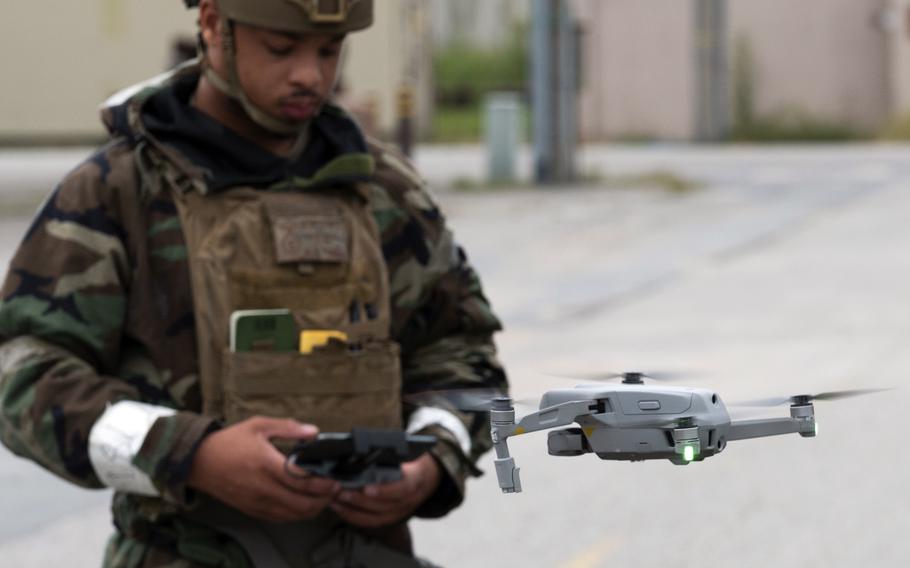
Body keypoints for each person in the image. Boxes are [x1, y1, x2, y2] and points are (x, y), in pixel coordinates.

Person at [0, 0, 507, 566]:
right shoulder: (118, 191)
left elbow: (462, 353)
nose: (310, 76)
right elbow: (25, 377)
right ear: (215, 25)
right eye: (281, 49)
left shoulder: (383, 192)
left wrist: (433, 460)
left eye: (329, 50)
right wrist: (192, 454)